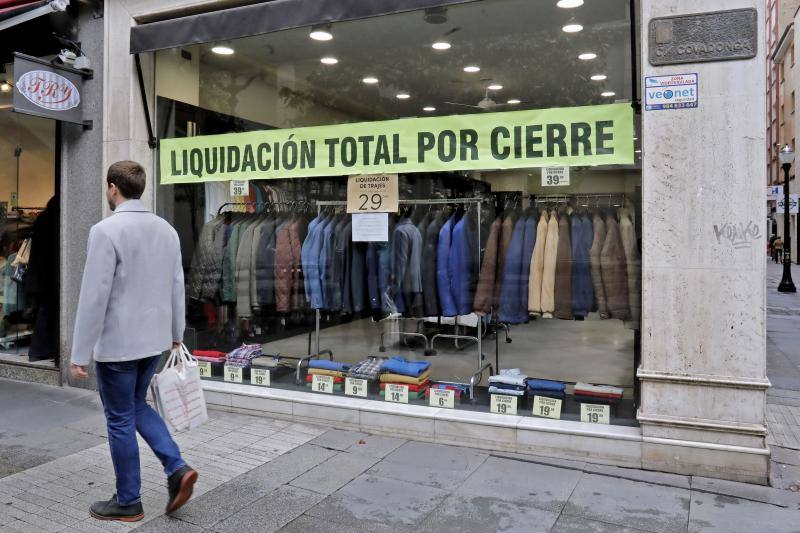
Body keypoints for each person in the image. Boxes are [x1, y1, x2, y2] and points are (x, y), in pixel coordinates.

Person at [70, 161, 197, 522]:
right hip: (154, 342)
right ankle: (176, 467)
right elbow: (177, 286)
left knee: (120, 418)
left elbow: (95, 296)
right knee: (136, 407)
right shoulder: (167, 230)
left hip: (119, 345)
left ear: (113, 188)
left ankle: (128, 501)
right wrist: (176, 334)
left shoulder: (106, 231)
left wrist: (80, 353)